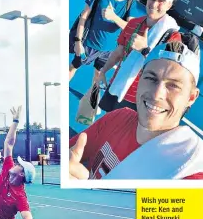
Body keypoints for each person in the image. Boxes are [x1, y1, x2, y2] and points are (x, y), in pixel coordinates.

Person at [69, 38, 203, 180]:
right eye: (151, 79)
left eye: (174, 86)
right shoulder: (118, 118)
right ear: (138, 81)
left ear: (191, 98)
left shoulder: (189, 169)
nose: (157, 94)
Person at [96, 0, 180, 112]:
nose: (154, 4)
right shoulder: (133, 23)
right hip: (117, 86)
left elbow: (168, 71)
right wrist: (103, 72)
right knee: (107, 126)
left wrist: (144, 50)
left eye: (161, 1)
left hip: (142, 98)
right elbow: (119, 52)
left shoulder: (172, 36)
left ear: (169, 5)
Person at [69, 0, 137, 83]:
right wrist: (78, 41)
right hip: (88, 45)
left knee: (99, 76)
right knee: (73, 68)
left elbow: (130, 28)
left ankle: (92, 100)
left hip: (109, 51)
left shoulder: (131, 3)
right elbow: (83, 17)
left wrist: (113, 17)